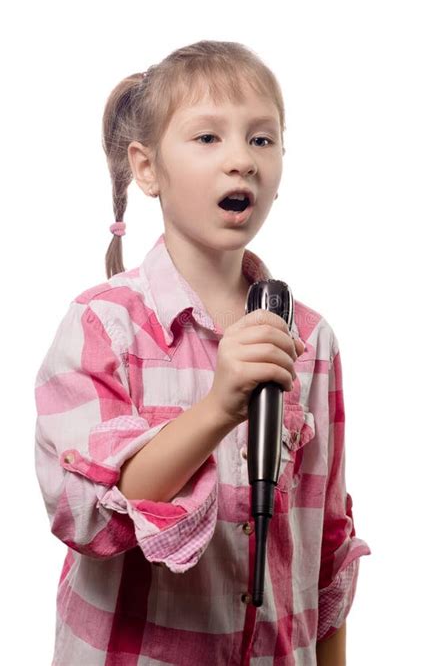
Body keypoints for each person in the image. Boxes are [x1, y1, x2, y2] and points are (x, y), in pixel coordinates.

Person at [34, 39, 371, 666]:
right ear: (147, 168)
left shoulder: (310, 339)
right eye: (208, 138)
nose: (241, 160)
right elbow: (92, 517)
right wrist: (219, 405)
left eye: (262, 140)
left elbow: (327, 545)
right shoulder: (104, 325)